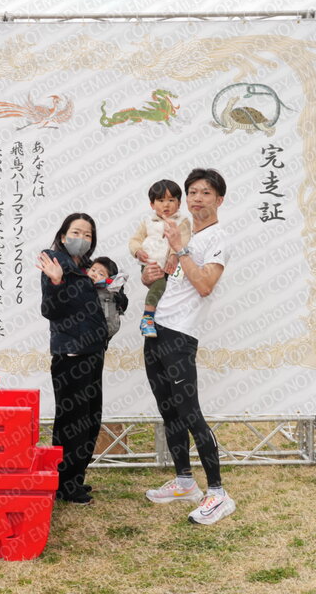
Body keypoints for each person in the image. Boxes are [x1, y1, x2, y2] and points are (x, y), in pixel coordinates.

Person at [141, 168, 236, 525]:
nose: (197, 198)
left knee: (191, 413)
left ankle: (218, 493)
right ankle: (184, 481)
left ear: (219, 199)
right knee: (169, 410)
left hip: (181, 335)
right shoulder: (184, 231)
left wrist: (181, 249)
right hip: (156, 330)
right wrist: (149, 275)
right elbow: (168, 278)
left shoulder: (217, 237)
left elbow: (205, 285)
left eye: (206, 192)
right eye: (193, 192)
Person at [36, 213, 108, 505]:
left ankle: (75, 479)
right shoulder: (55, 263)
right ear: (63, 236)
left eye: (88, 235)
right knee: (71, 423)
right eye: (76, 232)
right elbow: (50, 310)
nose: (82, 238)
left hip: (93, 353)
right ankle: (64, 484)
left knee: (90, 419)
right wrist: (56, 282)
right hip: (70, 357)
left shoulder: (88, 268)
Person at [128, 179, 192, 338]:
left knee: (170, 292)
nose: (166, 205)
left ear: (179, 203)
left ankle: (166, 323)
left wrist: (173, 256)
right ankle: (147, 319)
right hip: (151, 264)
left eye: (171, 200)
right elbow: (135, 240)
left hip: (172, 264)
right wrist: (138, 251)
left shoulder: (182, 221)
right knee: (159, 285)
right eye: (161, 200)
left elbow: (183, 240)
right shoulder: (148, 221)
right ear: (152, 204)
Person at [87, 256, 129, 343]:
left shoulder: (107, 296)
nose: (94, 274)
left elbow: (111, 326)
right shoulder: (82, 285)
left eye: (101, 274)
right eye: (93, 270)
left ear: (110, 280)